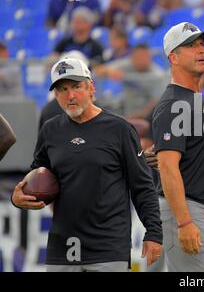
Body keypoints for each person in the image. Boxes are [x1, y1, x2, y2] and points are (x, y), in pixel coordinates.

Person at [11, 57, 162, 272]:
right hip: (63, 245)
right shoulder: (50, 130)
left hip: (108, 245)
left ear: (91, 87)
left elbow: (143, 186)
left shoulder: (119, 129)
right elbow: (38, 177)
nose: (70, 96)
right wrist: (19, 197)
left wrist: (154, 232)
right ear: (55, 95)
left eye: (76, 86)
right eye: (62, 89)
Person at [150, 22, 204, 271]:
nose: (201, 50)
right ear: (173, 57)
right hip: (184, 208)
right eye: (191, 46)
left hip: (192, 208)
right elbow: (168, 168)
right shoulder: (172, 104)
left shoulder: (196, 102)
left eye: (202, 44)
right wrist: (184, 221)